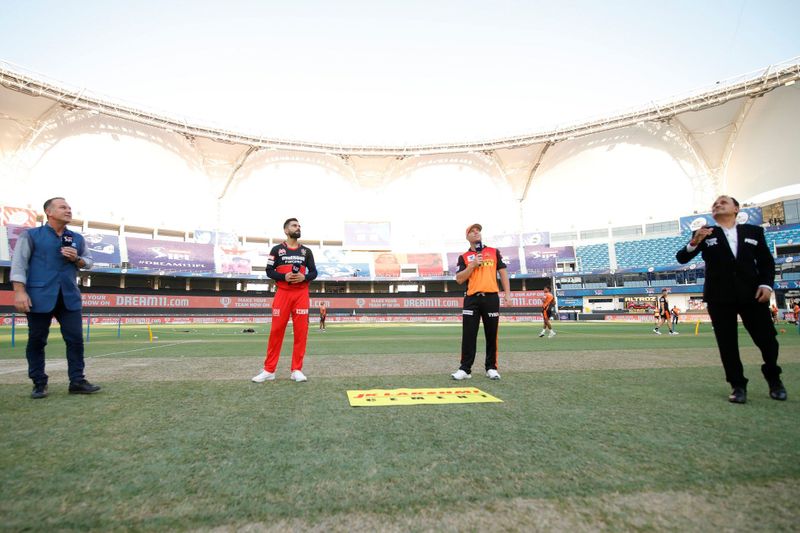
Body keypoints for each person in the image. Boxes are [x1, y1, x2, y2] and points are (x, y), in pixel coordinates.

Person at [676, 195, 786, 404]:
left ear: (736, 208)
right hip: (719, 297)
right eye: (715, 204)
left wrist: (766, 285)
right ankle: (737, 386)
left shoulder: (754, 232)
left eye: (723, 202)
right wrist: (694, 241)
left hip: (752, 294)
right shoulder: (705, 233)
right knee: (727, 344)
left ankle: (774, 378)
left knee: (768, 340)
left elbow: (766, 263)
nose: (718, 205)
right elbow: (682, 258)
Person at [9, 197, 101, 399]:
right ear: (49, 212)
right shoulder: (31, 235)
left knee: (75, 340)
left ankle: (77, 381)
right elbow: (18, 265)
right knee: (37, 340)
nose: (68, 210)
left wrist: (76, 259)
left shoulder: (76, 237)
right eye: (63, 207)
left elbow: (89, 262)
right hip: (39, 296)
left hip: (69, 296)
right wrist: (19, 291)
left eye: (69, 207)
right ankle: (39, 382)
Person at [252, 218, 318, 383]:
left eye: (299, 226)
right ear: (286, 230)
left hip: (301, 294)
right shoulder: (276, 250)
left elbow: (314, 272)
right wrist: (284, 276)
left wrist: (304, 277)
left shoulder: (306, 252)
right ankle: (269, 370)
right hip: (283, 293)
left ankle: (296, 370)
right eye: (294, 226)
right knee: (276, 331)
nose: (298, 227)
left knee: (301, 332)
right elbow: (269, 271)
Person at [451, 223, 510, 381]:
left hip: (491, 297)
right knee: (468, 335)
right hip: (471, 298)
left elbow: (503, 272)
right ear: (467, 237)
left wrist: (508, 294)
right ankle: (465, 369)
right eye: (472, 231)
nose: (476, 233)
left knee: (492, 335)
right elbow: (459, 279)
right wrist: (472, 265)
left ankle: (491, 367)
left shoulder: (493, 252)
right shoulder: (463, 257)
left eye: (478, 231)